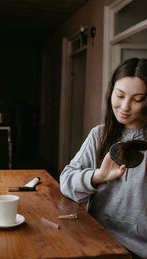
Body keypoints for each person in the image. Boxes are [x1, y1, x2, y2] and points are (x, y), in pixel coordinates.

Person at [60, 57, 147, 259]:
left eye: (137, 99)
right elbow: (66, 181)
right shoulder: (99, 135)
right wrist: (96, 176)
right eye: (120, 95)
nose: (125, 107)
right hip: (96, 241)